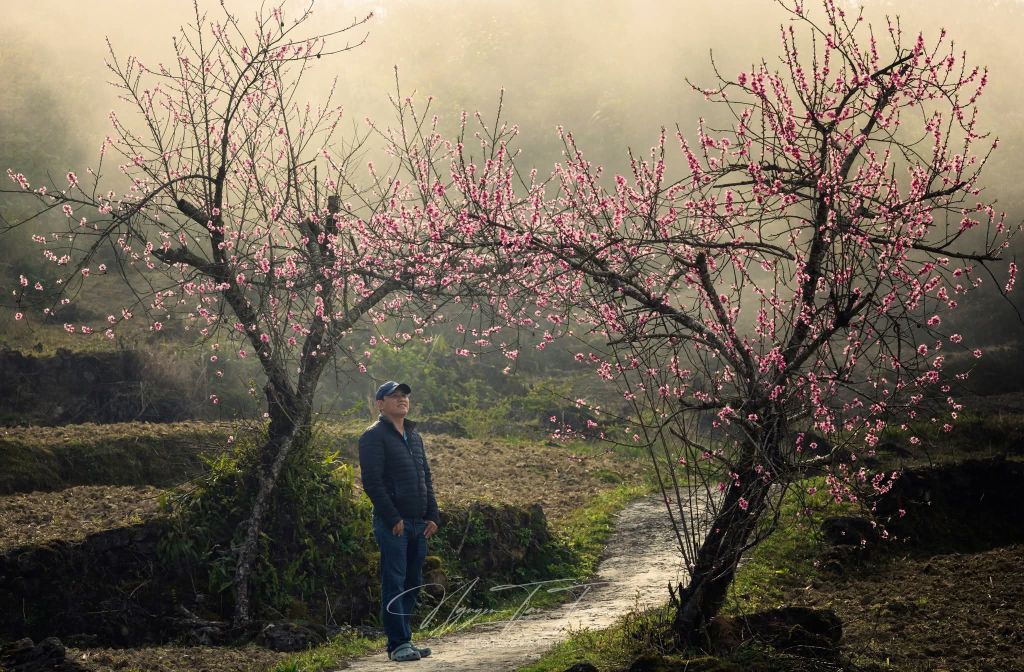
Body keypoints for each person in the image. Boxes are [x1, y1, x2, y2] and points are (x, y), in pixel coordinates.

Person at [358, 380, 440, 662]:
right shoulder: (373, 436)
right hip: (394, 524)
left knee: (412, 582)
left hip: (419, 522)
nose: (402, 399)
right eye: (394, 396)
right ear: (380, 404)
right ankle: (397, 644)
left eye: (405, 395)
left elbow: (425, 477)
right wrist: (392, 517)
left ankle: (406, 639)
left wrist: (433, 515)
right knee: (394, 581)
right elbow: (372, 482)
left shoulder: (414, 437)